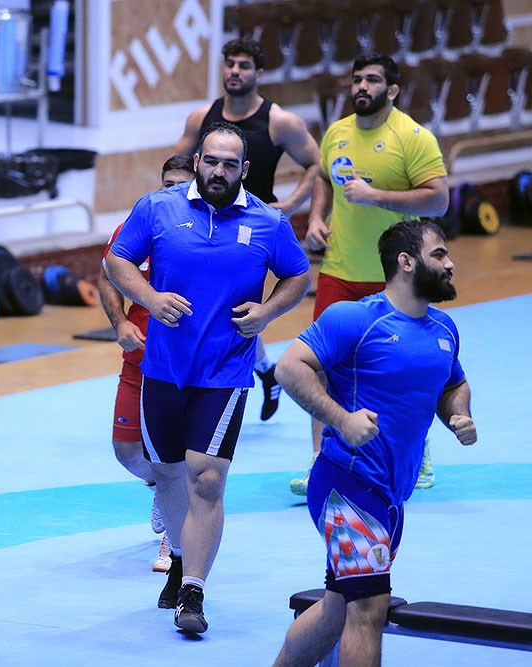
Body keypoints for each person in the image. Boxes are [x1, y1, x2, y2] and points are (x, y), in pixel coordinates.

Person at [106, 122, 312, 634]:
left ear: (245, 169)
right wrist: (149, 299)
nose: (219, 171)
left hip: (225, 372)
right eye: (211, 161)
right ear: (198, 162)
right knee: (168, 474)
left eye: (230, 164)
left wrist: (267, 312)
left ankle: (193, 591)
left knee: (206, 477)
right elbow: (116, 261)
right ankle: (180, 558)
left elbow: (298, 274)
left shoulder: (267, 221)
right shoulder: (157, 208)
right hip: (162, 370)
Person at [271, 219, 477, 667]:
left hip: (391, 496)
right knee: (368, 609)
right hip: (346, 485)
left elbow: (452, 384)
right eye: (439, 254)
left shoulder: (444, 329)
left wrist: (458, 415)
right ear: (406, 262)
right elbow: (289, 368)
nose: (450, 263)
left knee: (337, 608)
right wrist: (342, 420)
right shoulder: (356, 319)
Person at [291, 53, 450, 496]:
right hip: (340, 269)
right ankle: (321, 457)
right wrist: (316, 217)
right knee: (320, 365)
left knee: (402, 369)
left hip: (396, 278)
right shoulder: (337, 132)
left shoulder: (413, 137)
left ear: (392, 90)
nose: (362, 86)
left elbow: (438, 200)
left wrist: (375, 195)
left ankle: (416, 447)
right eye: (357, 78)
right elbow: (324, 179)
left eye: (373, 80)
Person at [175, 37, 321, 421]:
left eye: (243, 66)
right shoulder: (201, 117)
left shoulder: (280, 122)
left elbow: (316, 163)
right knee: (222, 310)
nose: (234, 71)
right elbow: (178, 166)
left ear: (259, 74)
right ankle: (265, 371)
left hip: (254, 233)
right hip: (206, 227)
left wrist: (293, 204)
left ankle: (232, 384)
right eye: (230, 64)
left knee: (233, 310)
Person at [97, 154, 195, 574]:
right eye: (167, 184)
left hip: (186, 369)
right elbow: (107, 275)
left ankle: (174, 542)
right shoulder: (139, 225)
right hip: (138, 363)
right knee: (126, 452)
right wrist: (120, 322)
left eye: (182, 185)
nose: (173, 192)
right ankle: (162, 488)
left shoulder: (207, 231)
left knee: (177, 459)